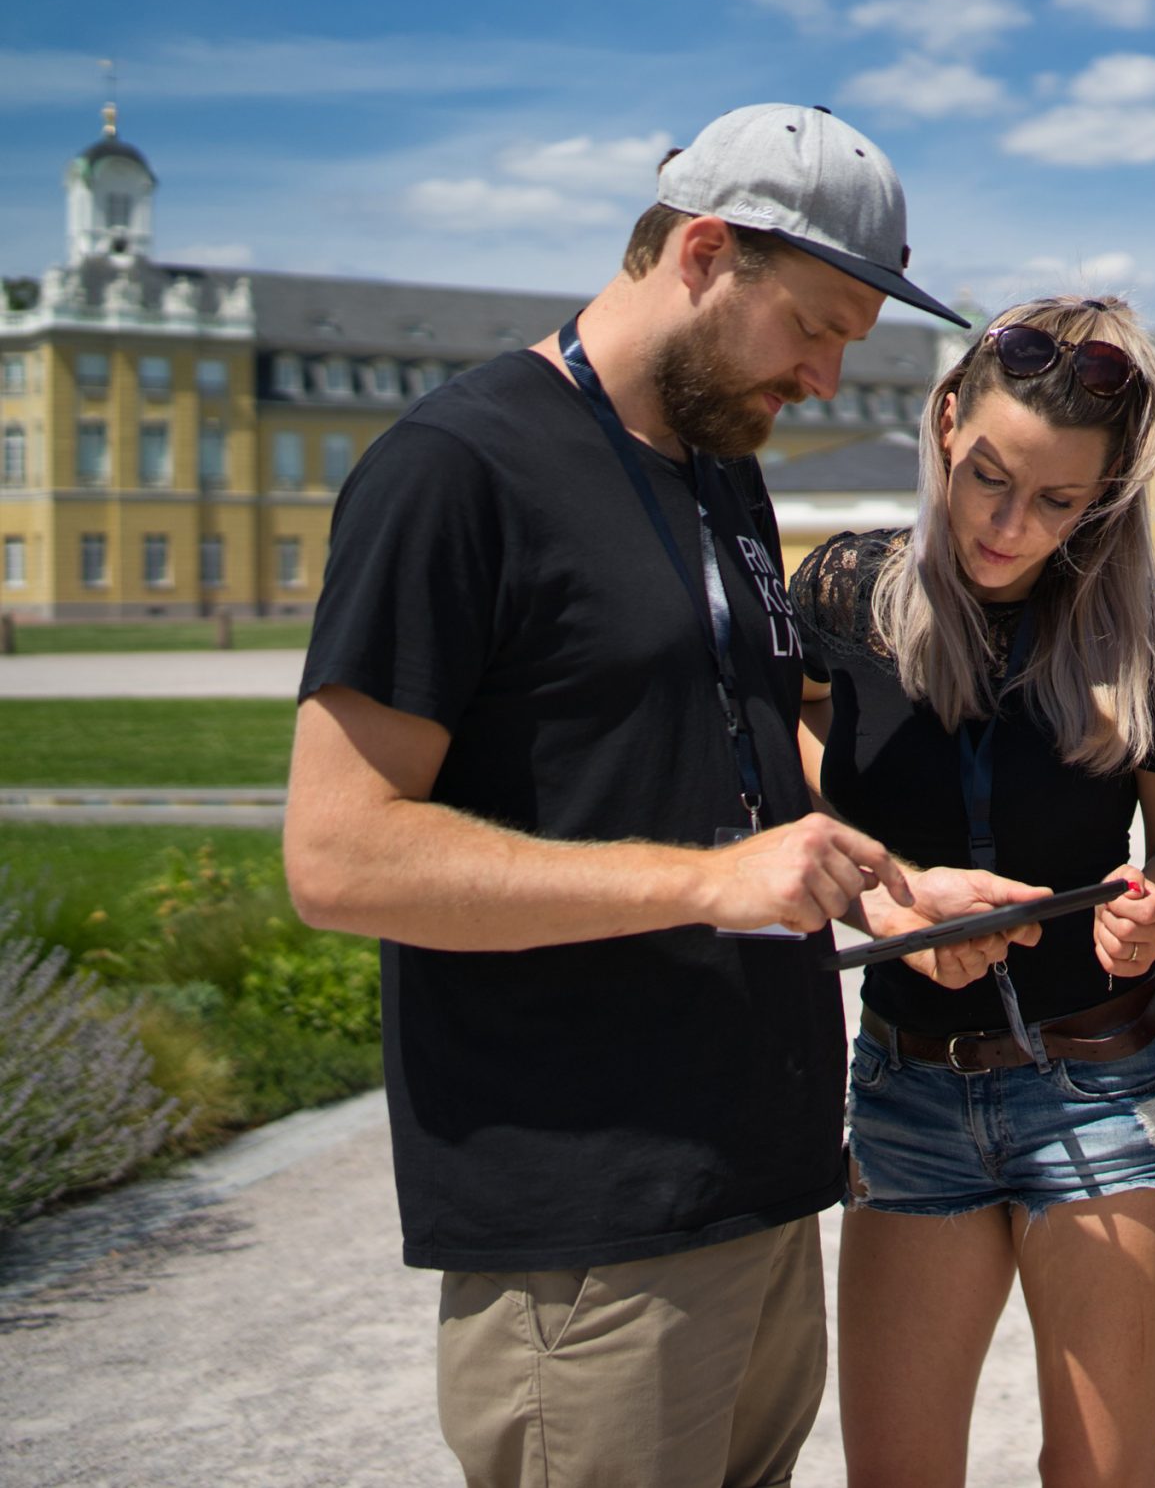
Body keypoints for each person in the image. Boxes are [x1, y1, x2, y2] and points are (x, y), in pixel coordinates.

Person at [283, 104, 1044, 1488]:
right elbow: (341, 856)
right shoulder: (455, 471)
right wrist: (705, 882)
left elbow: (719, 771)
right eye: (812, 327)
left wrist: (886, 888)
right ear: (703, 253)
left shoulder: (720, 472)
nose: (825, 376)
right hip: (591, 1218)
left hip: (756, 1182)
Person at [789, 295, 1155, 1488]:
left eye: (1057, 501)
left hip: (1107, 1085)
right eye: (987, 477)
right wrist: (885, 882)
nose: (1008, 524)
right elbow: (798, 747)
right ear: (944, 423)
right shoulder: (844, 591)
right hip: (908, 1088)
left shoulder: (1146, 630)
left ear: (1105, 498)